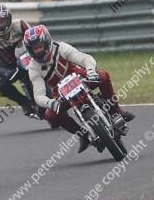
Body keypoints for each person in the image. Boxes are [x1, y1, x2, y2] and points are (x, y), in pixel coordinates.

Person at [24, 25, 135, 153]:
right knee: (50, 115)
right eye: (34, 48)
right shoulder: (33, 67)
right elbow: (38, 95)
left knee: (103, 76)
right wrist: (50, 103)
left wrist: (91, 71)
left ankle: (116, 110)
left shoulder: (61, 48)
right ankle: (82, 135)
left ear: (47, 42)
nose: (38, 51)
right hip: (60, 91)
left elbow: (84, 58)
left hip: (79, 76)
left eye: (40, 46)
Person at [0, 5, 38, 118]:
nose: (0, 25)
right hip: (12, 68)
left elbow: (36, 40)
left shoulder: (21, 25)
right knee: (0, 87)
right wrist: (6, 73)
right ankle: (24, 103)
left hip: (30, 59)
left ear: (9, 19)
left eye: (2, 21)